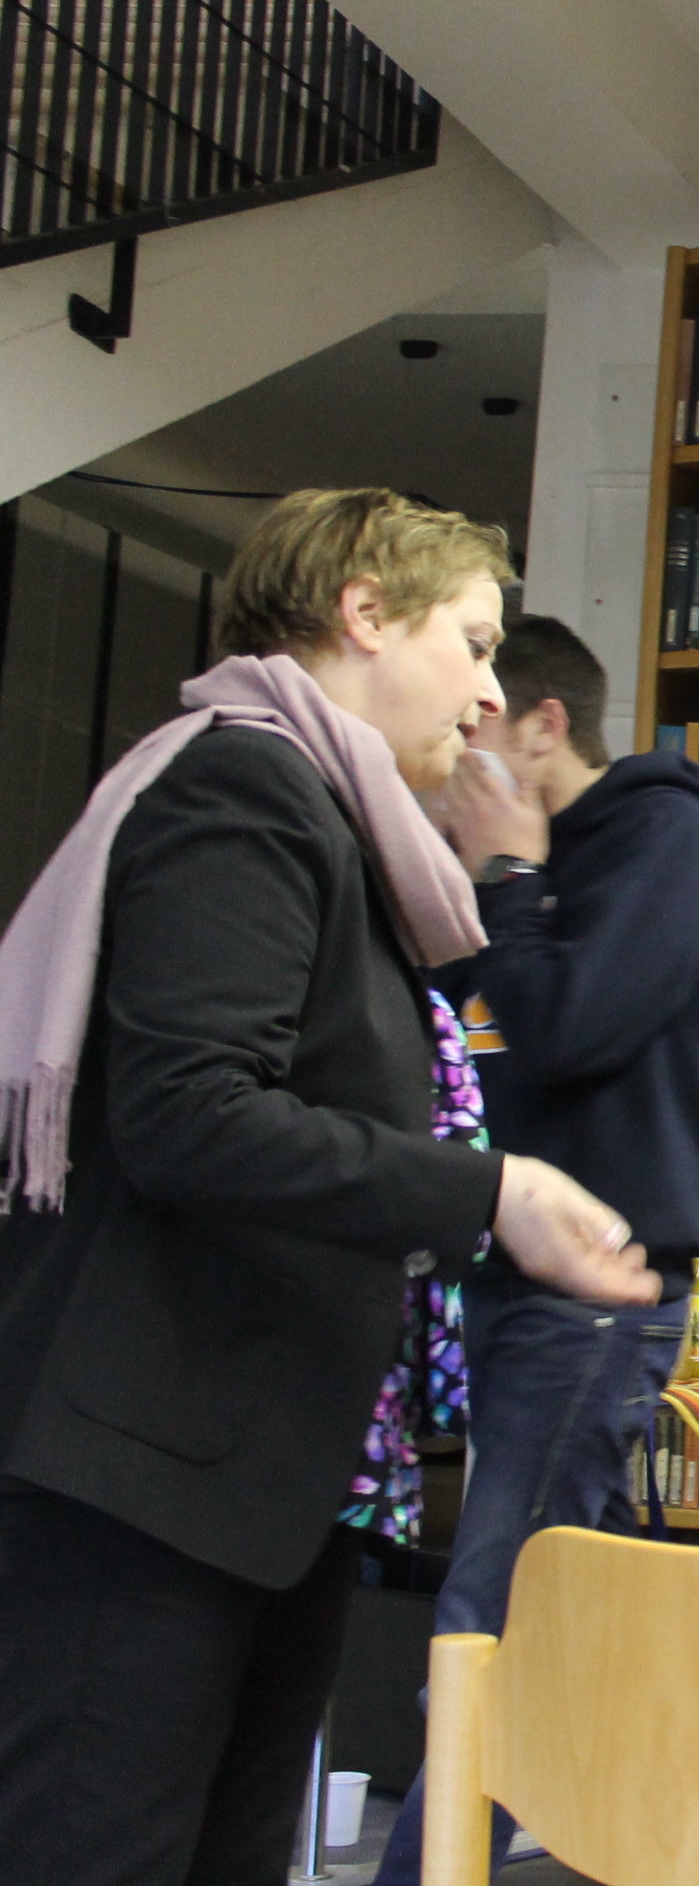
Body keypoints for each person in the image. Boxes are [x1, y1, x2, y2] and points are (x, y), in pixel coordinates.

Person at [0, 488, 653, 1886]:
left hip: (265, 1474)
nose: (491, 694)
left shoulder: (343, 825)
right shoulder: (241, 787)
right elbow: (191, 1112)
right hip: (150, 1474)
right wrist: (490, 1193)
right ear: (363, 614)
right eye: (473, 643)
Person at [374, 612, 699, 1886]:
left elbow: (570, 1026)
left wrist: (507, 880)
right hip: (494, 1273)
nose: (455, 754)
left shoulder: (661, 836)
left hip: (597, 1287)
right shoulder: (499, 870)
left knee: (494, 1614)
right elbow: (470, 1048)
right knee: (566, 1610)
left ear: (543, 725)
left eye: (480, 724)